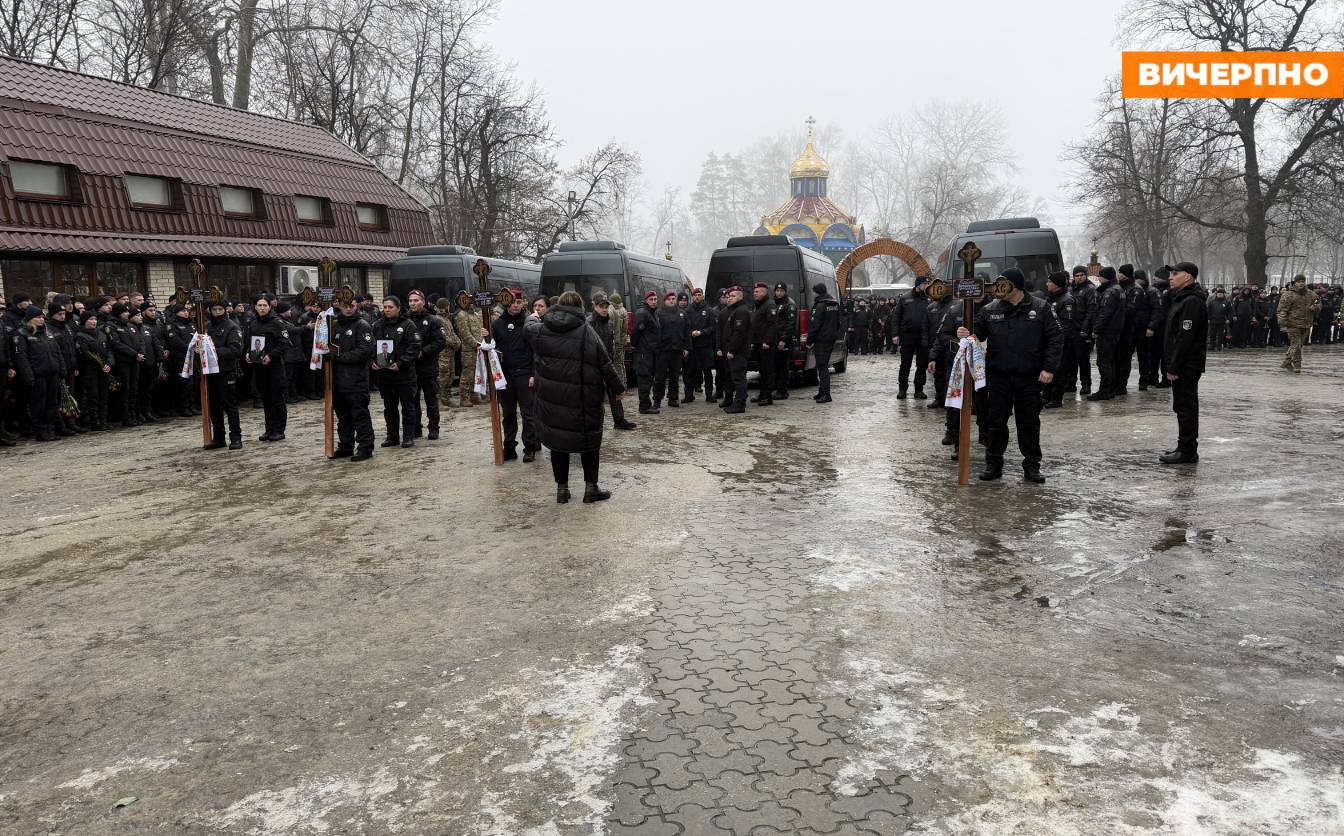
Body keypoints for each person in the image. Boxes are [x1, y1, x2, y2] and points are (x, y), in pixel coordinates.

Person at [526, 290, 624, 504]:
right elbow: (605, 363)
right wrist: (618, 388)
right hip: (583, 399)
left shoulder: (542, 329)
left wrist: (532, 317)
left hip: (552, 399)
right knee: (589, 443)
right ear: (580, 307)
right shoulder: (587, 331)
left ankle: (562, 490)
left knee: (558, 442)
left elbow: (528, 328)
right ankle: (591, 488)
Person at [968, 268, 1062, 483]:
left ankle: (1032, 466)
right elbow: (976, 334)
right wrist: (965, 333)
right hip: (999, 377)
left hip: (1028, 377)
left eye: (1003, 284)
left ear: (1016, 286)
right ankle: (993, 464)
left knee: (1028, 423)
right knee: (995, 423)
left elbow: (1055, 338)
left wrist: (1049, 368)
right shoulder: (991, 309)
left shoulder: (1041, 308)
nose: (998, 289)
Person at [1160, 262, 1207, 464]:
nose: (1170, 277)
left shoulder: (1191, 301)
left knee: (1186, 407)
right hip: (1182, 362)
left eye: (1175, 274)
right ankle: (1184, 446)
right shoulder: (1182, 298)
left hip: (1186, 364)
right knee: (1182, 406)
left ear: (1187, 276)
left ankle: (1187, 450)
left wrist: (1174, 366)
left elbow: (1185, 338)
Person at [490, 289, 540, 461]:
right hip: (505, 376)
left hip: (524, 374)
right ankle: (509, 446)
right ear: (506, 303)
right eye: (512, 302)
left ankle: (530, 447)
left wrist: (533, 374)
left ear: (523, 303)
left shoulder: (529, 323)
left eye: (518, 302)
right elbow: (492, 349)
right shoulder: (497, 324)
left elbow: (536, 351)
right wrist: (485, 339)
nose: (515, 306)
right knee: (508, 414)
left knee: (528, 414)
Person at [371, 295, 422, 448]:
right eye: (385, 307)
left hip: (404, 374)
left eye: (390, 307)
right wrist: (372, 362)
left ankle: (408, 436)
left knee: (407, 406)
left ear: (398, 308)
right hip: (385, 375)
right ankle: (392, 436)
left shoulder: (408, 325)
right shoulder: (378, 325)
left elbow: (414, 347)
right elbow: (371, 346)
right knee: (389, 408)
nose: (387, 310)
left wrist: (401, 363)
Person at [329, 295, 376, 460]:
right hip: (337, 380)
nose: (348, 309)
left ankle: (365, 447)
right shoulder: (334, 325)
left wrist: (339, 357)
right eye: (345, 306)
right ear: (339, 306)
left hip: (356, 380)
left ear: (357, 306)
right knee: (343, 417)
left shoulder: (362, 325)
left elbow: (365, 350)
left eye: (352, 306)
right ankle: (346, 445)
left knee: (359, 415)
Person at [243, 296, 291, 442]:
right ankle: (269, 429)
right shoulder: (253, 323)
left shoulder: (277, 322)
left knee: (277, 398)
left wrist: (271, 355)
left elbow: (285, 343)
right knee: (266, 399)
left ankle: (279, 430)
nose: (262, 308)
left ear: (270, 307)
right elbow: (250, 343)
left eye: (265, 305)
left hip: (274, 367)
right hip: (259, 366)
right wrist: (248, 354)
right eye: (260, 305)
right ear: (255, 307)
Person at [13, 306, 64, 442]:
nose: (41, 320)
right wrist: (29, 377)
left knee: (52, 403)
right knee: (39, 405)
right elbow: (21, 358)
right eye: (38, 317)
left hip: (52, 373)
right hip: (37, 375)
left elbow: (57, 352)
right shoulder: (22, 333)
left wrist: (61, 369)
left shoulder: (47, 333)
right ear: (30, 319)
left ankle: (50, 430)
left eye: (42, 317)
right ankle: (41, 431)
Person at [588, 292, 637, 430]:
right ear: (595, 306)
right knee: (595, 396)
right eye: (601, 307)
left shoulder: (608, 323)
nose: (604, 309)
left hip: (608, 362)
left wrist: (614, 356)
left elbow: (611, 342)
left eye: (606, 307)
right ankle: (594, 423)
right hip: (594, 365)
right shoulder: (589, 323)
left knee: (615, 390)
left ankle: (619, 419)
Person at [202, 299, 244, 450]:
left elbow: (235, 350)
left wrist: (212, 352)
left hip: (226, 371)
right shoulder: (206, 326)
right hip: (210, 372)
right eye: (215, 310)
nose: (218, 312)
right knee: (214, 406)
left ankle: (236, 437)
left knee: (229, 405)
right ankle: (219, 437)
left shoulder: (232, 326)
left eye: (220, 309)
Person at [405, 290, 447, 440]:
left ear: (423, 302)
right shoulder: (405, 320)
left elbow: (440, 341)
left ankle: (433, 428)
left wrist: (424, 352)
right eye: (410, 301)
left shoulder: (433, 320)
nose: (413, 303)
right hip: (409, 368)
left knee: (431, 400)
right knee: (412, 400)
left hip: (428, 367)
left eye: (416, 300)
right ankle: (416, 428)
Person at [1087, 267, 1124, 401]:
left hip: (1107, 331)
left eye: (1100, 276)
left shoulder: (1110, 291)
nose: (1098, 279)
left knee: (1103, 362)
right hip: (1114, 330)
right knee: (1110, 361)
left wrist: (1096, 329)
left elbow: (1105, 313)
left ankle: (1105, 391)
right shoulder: (1118, 289)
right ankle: (1110, 389)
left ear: (1106, 277)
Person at [891, 276, 930, 399]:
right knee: (905, 364)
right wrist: (895, 334)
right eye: (925, 284)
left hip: (923, 336)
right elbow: (896, 317)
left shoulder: (928, 299)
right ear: (918, 284)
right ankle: (902, 389)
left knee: (922, 365)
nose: (927, 286)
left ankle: (919, 390)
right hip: (907, 335)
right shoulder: (905, 298)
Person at [1042, 271, 1077, 408]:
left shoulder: (1067, 300)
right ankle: (1046, 396)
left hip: (1062, 342)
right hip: (1050, 340)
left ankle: (1056, 398)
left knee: (1059, 370)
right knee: (1049, 367)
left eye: (1050, 282)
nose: (1047, 284)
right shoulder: (1051, 298)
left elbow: (1067, 325)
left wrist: (1058, 340)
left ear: (1057, 284)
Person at [106, 303, 144, 426]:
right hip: (123, 363)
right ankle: (125, 416)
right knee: (125, 389)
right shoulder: (111, 326)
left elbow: (140, 340)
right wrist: (134, 354)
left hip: (135, 361)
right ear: (118, 313)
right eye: (125, 312)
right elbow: (116, 344)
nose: (128, 314)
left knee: (134, 388)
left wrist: (141, 353)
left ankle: (132, 414)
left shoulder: (130, 326)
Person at [74, 311, 113, 431]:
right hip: (90, 371)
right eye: (90, 319)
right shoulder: (80, 336)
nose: (94, 322)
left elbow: (109, 350)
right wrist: (99, 363)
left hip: (104, 370)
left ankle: (103, 420)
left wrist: (109, 363)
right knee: (93, 396)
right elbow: (85, 354)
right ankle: (95, 421)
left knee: (104, 396)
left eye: (95, 319)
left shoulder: (101, 334)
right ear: (84, 321)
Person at [1276, 274, 1320, 374]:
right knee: (1296, 345)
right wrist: (1282, 324)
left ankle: (1287, 362)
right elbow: (1282, 310)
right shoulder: (1288, 294)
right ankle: (1297, 366)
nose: (1301, 283)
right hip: (1293, 324)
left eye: (1303, 281)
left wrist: (1315, 307)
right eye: (1299, 282)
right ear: (1295, 283)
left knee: (1299, 345)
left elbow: (1318, 303)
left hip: (1306, 324)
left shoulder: (1311, 294)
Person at [653, 291, 689, 409]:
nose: (672, 301)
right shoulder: (658, 313)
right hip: (663, 349)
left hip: (677, 349)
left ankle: (673, 398)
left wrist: (686, 347)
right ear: (665, 301)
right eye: (669, 299)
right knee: (660, 376)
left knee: (675, 376)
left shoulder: (682, 313)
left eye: (673, 299)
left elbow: (686, 331)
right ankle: (657, 399)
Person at [808, 282, 841, 403]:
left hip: (821, 340)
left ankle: (826, 394)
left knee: (822, 367)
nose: (812, 294)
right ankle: (822, 391)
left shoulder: (820, 305)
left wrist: (810, 340)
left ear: (817, 292)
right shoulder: (834, 304)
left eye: (813, 292)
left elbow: (815, 324)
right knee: (823, 365)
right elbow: (838, 322)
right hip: (830, 339)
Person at [684, 287, 716, 403]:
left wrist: (702, 332)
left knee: (707, 371)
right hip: (692, 347)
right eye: (695, 295)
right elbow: (684, 327)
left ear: (703, 296)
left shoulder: (709, 310)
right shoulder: (688, 310)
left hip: (705, 346)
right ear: (692, 297)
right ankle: (688, 395)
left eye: (699, 295)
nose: (697, 297)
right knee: (690, 372)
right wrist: (691, 333)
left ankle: (709, 395)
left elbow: (713, 327)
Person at [165, 303, 197, 417]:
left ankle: (192, 405)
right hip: (181, 358)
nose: (186, 313)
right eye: (183, 311)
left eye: (187, 311)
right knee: (184, 384)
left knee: (193, 383)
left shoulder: (191, 324)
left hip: (194, 357)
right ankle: (183, 407)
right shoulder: (172, 325)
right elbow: (175, 341)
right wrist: (189, 348)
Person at [631, 290, 661, 415]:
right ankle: (644, 406)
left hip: (651, 352)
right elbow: (635, 333)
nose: (654, 301)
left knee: (648, 378)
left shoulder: (653, 313)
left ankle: (646, 404)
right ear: (646, 300)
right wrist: (641, 346)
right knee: (644, 378)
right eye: (651, 299)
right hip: (644, 352)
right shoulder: (642, 313)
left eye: (655, 299)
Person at [749, 282, 778, 406]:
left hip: (766, 344)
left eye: (757, 292)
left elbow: (772, 325)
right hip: (758, 343)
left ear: (764, 292)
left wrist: (767, 341)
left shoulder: (769, 305)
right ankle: (762, 394)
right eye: (754, 291)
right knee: (762, 370)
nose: (754, 294)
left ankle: (767, 396)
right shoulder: (758, 305)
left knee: (767, 370)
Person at [1068, 266, 1096, 395]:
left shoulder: (1090, 289)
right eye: (1077, 276)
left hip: (1082, 330)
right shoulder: (1070, 289)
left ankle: (1086, 384)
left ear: (1085, 275)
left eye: (1081, 275)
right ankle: (1071, 383)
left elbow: (1091, 311)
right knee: (1070, 358)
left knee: (1083, 359)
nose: (1079, 278)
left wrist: (1085, 328)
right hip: (1071, 329)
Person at [452, 296, 483, 407]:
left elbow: (481, 330)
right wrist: (477, 344)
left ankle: (475, 395)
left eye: (472, 301)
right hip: (468, 350)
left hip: (479, 349)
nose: (471, 303)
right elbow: (464, 334)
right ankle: (464, 398)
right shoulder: (461, 315)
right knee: (467, 374)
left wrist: (482, 343)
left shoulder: (476, 315)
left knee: (476, 374)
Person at [434, 298, 463, 411]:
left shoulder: (446, 319)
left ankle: (446, 399)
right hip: (442, 354)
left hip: (450, 353)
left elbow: (452, 333)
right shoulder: (437, 320)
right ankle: (438, 401)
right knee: (442, 377)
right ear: (446, 307)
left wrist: (458, 342)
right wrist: (455, 344)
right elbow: (442, 337)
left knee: (450, 376)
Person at [771, 283, 797, 400]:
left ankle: (782, 391)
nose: (779, 293)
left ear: (785, 291)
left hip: (783, 340)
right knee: (775, 366)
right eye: (777, 290)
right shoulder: (773, 303)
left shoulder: (789, 304)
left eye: (781, 290)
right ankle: (775, 389)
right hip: (774, 339)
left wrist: (783, 339)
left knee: (783, 366)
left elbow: (790, 324)